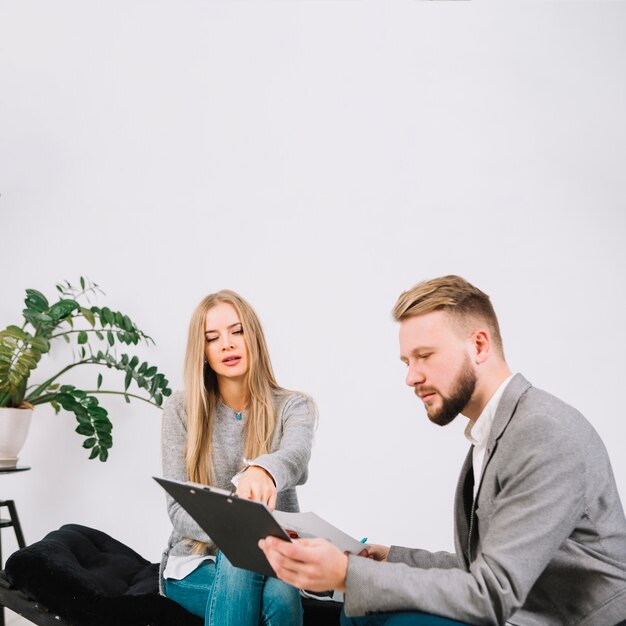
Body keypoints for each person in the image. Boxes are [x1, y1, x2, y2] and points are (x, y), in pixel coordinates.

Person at [259, 275, 626, 626]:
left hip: (569, 620)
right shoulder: (495, 432)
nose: (411, 377)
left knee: (397, 619)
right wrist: (391, 559)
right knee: (361, 613)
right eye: (407, 361)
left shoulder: (543, 432)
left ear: (479, 346)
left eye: (425, 355)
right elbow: (482, 568)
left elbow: (491, 591)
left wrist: (347, 573)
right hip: (522, 607)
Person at [160, 289, 316, 626]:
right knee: (243, 548)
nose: (227, 344)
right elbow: (177, 510)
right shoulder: (180, 409)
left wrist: (263, 470)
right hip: (194, 564)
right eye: (212, 338)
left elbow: (296, 457)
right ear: (202, 352)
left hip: (274, 563)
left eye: (237, 331)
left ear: (253, 337)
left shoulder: (294, 406)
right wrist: (236, 526)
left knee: (277, 589)